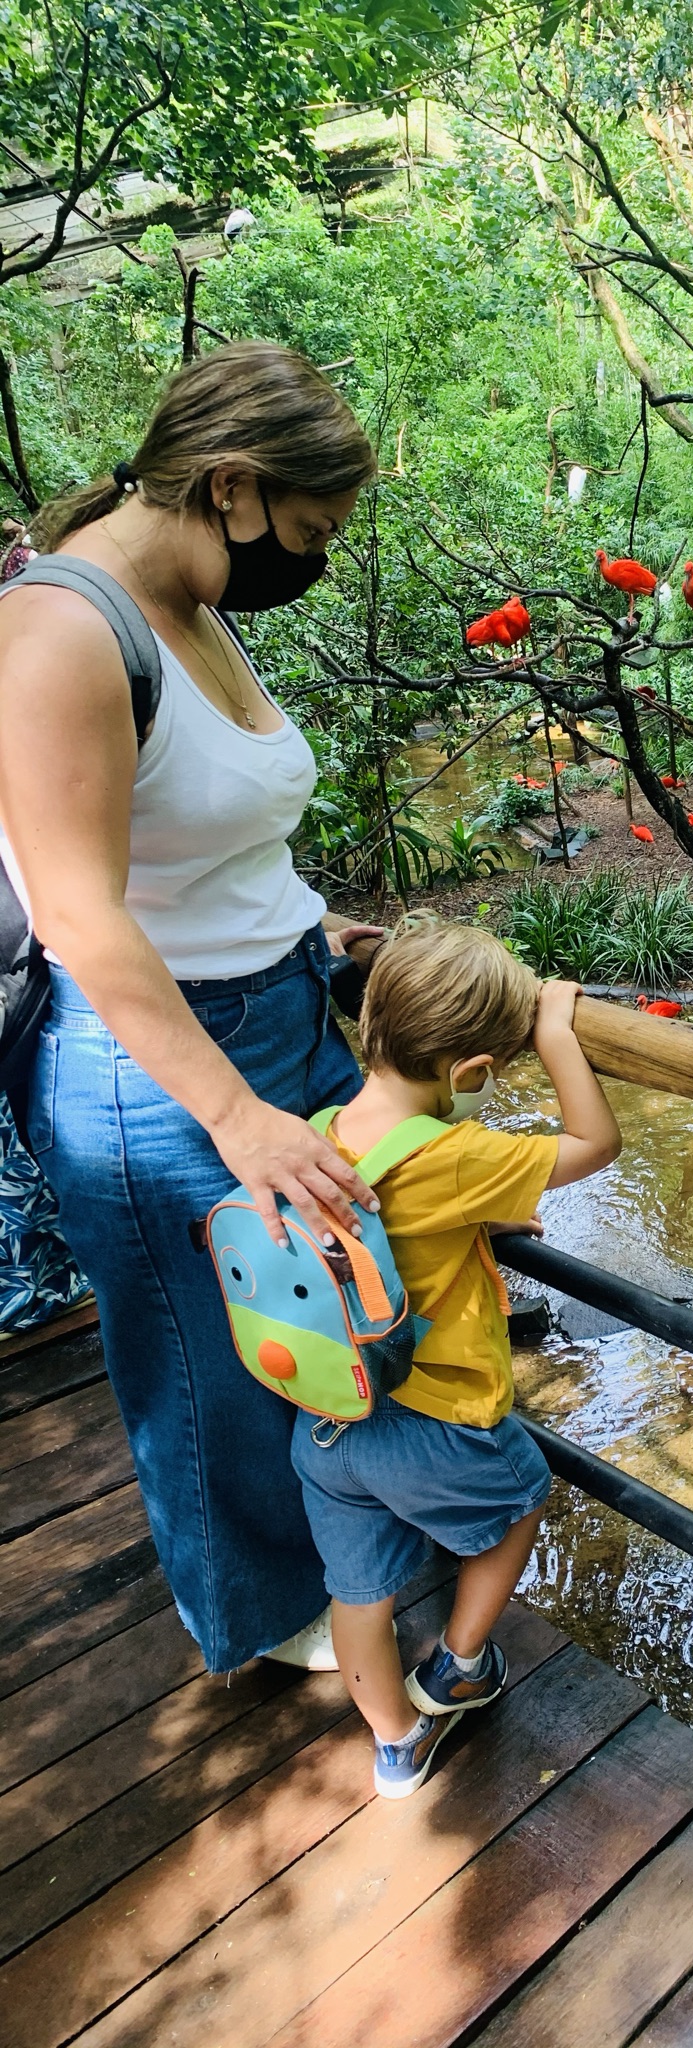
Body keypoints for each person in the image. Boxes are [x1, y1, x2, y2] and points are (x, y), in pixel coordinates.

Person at [0, 342, 384, 1673]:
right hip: (157, 1065)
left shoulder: (198, 595)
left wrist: (317, 929)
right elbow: (80, 913)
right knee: (206, 1370)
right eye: (311, 529)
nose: (315, 560)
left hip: (282, 1005)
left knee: (333, 1302)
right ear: (230, 486)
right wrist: (235, 1115)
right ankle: (265, 1615)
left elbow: (206, 832)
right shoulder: (63, 630)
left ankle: (349, 1547)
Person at [292, 918, 620, 1797]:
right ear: (472, 1074)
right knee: (519, 1498)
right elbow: (596, 1146)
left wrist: (478, 1211)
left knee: (357, 1591)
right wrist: (554, 1033)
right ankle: (461, 1666)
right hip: (432, 1418)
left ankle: (394, 1743)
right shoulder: (454, 1151)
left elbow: (389, 1224)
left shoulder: (321, 1127)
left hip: (329, 1415)